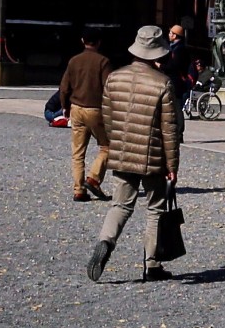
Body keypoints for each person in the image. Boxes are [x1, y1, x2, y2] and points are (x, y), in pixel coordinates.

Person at [87, 25, 184, 283]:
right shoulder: (163, 83)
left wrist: (114, 146)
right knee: (155, 208)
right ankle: (151, 265)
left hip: (122, 152)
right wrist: (172, 165)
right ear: (158, 54)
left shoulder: (114, 78)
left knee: (120, 205)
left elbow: (107, 119)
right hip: (153, 157)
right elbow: (169, 130)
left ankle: (106, 241)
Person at [59, 31, 112, 202]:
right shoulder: (103, 62)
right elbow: (108, 88)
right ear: (99, 42)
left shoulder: (74, 61)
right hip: (96, 110)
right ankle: (94, 178)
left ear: (82, 41)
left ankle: (79, 190)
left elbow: (64, 87)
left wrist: (64, 106)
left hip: (76, 108)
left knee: (78, 152)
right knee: (107, 147)